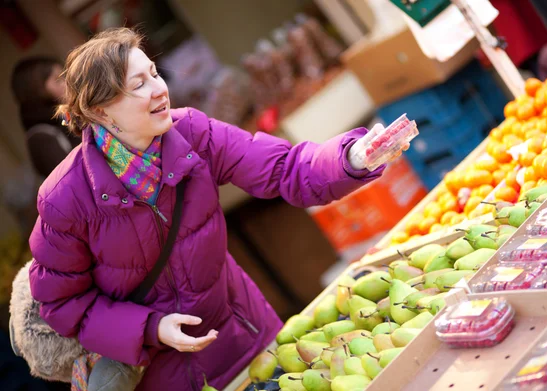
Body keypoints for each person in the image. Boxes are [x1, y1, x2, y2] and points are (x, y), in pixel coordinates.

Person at [27, 28, 407, 390]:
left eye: (155, 73)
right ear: (100, 112)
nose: (160, 89)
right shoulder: (65, 199)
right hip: (164, 374)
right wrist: (150, 328)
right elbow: (63, 304)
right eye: (139, 85)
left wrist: (350, 158)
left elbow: (284, 168)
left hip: (248, 334)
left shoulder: (191, 132)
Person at [11, 57, 80, 178]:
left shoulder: (66, 116)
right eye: (57, 80)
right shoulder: (41, 138)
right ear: (37, 91)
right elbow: (74, 178)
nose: (66, 83)